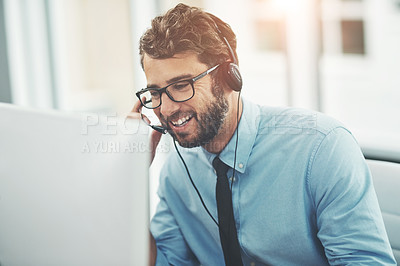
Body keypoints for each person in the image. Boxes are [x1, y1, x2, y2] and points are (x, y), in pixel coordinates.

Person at [132, 3, 397, 265]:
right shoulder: (177, 171)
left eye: (180, 85)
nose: (165, 109)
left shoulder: (322, 148)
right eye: (155, 93)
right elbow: (163, 262)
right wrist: (126, 176)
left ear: (227, 76)